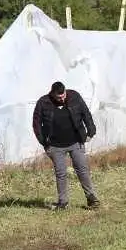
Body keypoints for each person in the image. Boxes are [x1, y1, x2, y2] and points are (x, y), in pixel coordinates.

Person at [32, 81, 100, 210]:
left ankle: (92, 199)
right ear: (52, 94)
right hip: (55, 146)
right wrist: (44, 143)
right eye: (59, 97)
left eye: (63, 96)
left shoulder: (74, 96)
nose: (62, 98)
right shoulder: (43, 102)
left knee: (82, 169)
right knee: (61, 173)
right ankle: (63, 203)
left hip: (76, 141)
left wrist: (91, 131)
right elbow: (36, 124)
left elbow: (86, 113)